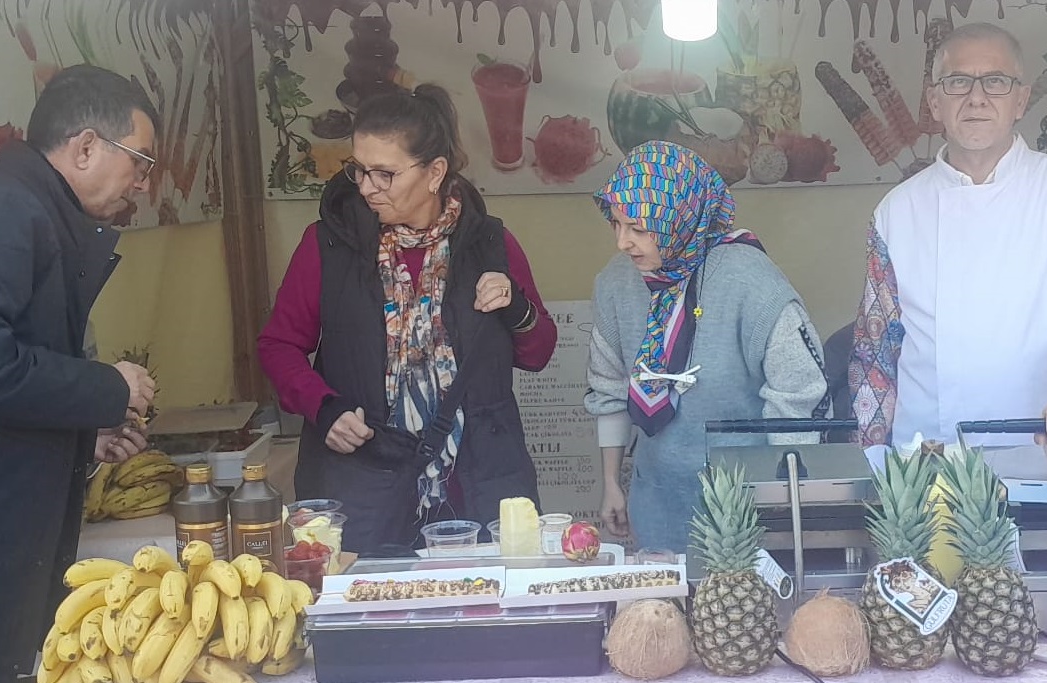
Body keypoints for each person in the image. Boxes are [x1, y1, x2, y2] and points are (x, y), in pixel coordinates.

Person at [0, 65, 158, 682]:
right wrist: (106, 387)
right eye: (139, 161)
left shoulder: (31, 213)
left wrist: (85, 433)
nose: (142, 183)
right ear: (85, 147)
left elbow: (3, 398)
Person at [259, 83, 556, 555]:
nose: (366, 187)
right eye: (358, 169)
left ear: (435, 172)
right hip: (363, 484)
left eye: (385, 174)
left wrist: (515, 307)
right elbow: (279, 345)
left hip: (479, 481)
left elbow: (538, 352)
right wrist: (324, 407)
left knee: (482, 600)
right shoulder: (327, 245)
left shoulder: (489, 244)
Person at [848, 22, 1047, 449]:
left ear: (1021, 100)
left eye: (996, 81)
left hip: (1040, 446)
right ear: (934, 101)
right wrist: (871, 456)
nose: (977, 98)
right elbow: (875, 352)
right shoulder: (896, 211)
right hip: (927, 453)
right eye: (958, 82)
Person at [585, 141, 830, 553]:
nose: (622, 243)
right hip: (657, 497)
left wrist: (786, 500)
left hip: (746, 505)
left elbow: (796, 397)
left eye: (639, 229)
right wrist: (611, 482)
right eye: (616, 224)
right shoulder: (615, 283)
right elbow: (608, 386)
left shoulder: (751, 282)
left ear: (680, 218)